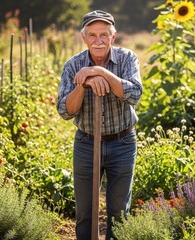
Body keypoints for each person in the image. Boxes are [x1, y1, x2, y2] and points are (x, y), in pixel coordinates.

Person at [56, 10, 143, 240]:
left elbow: (134, 93)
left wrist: (99, 71)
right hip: (86, 143)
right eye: (92, 35)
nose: (98, 40)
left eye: (104, 35)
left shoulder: (127, 58)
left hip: (123, 143)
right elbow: (65, 110)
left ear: (113, 37)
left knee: (119, 211)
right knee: (85, 211)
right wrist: (84, 84)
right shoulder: (73, 65)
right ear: (84, 38)